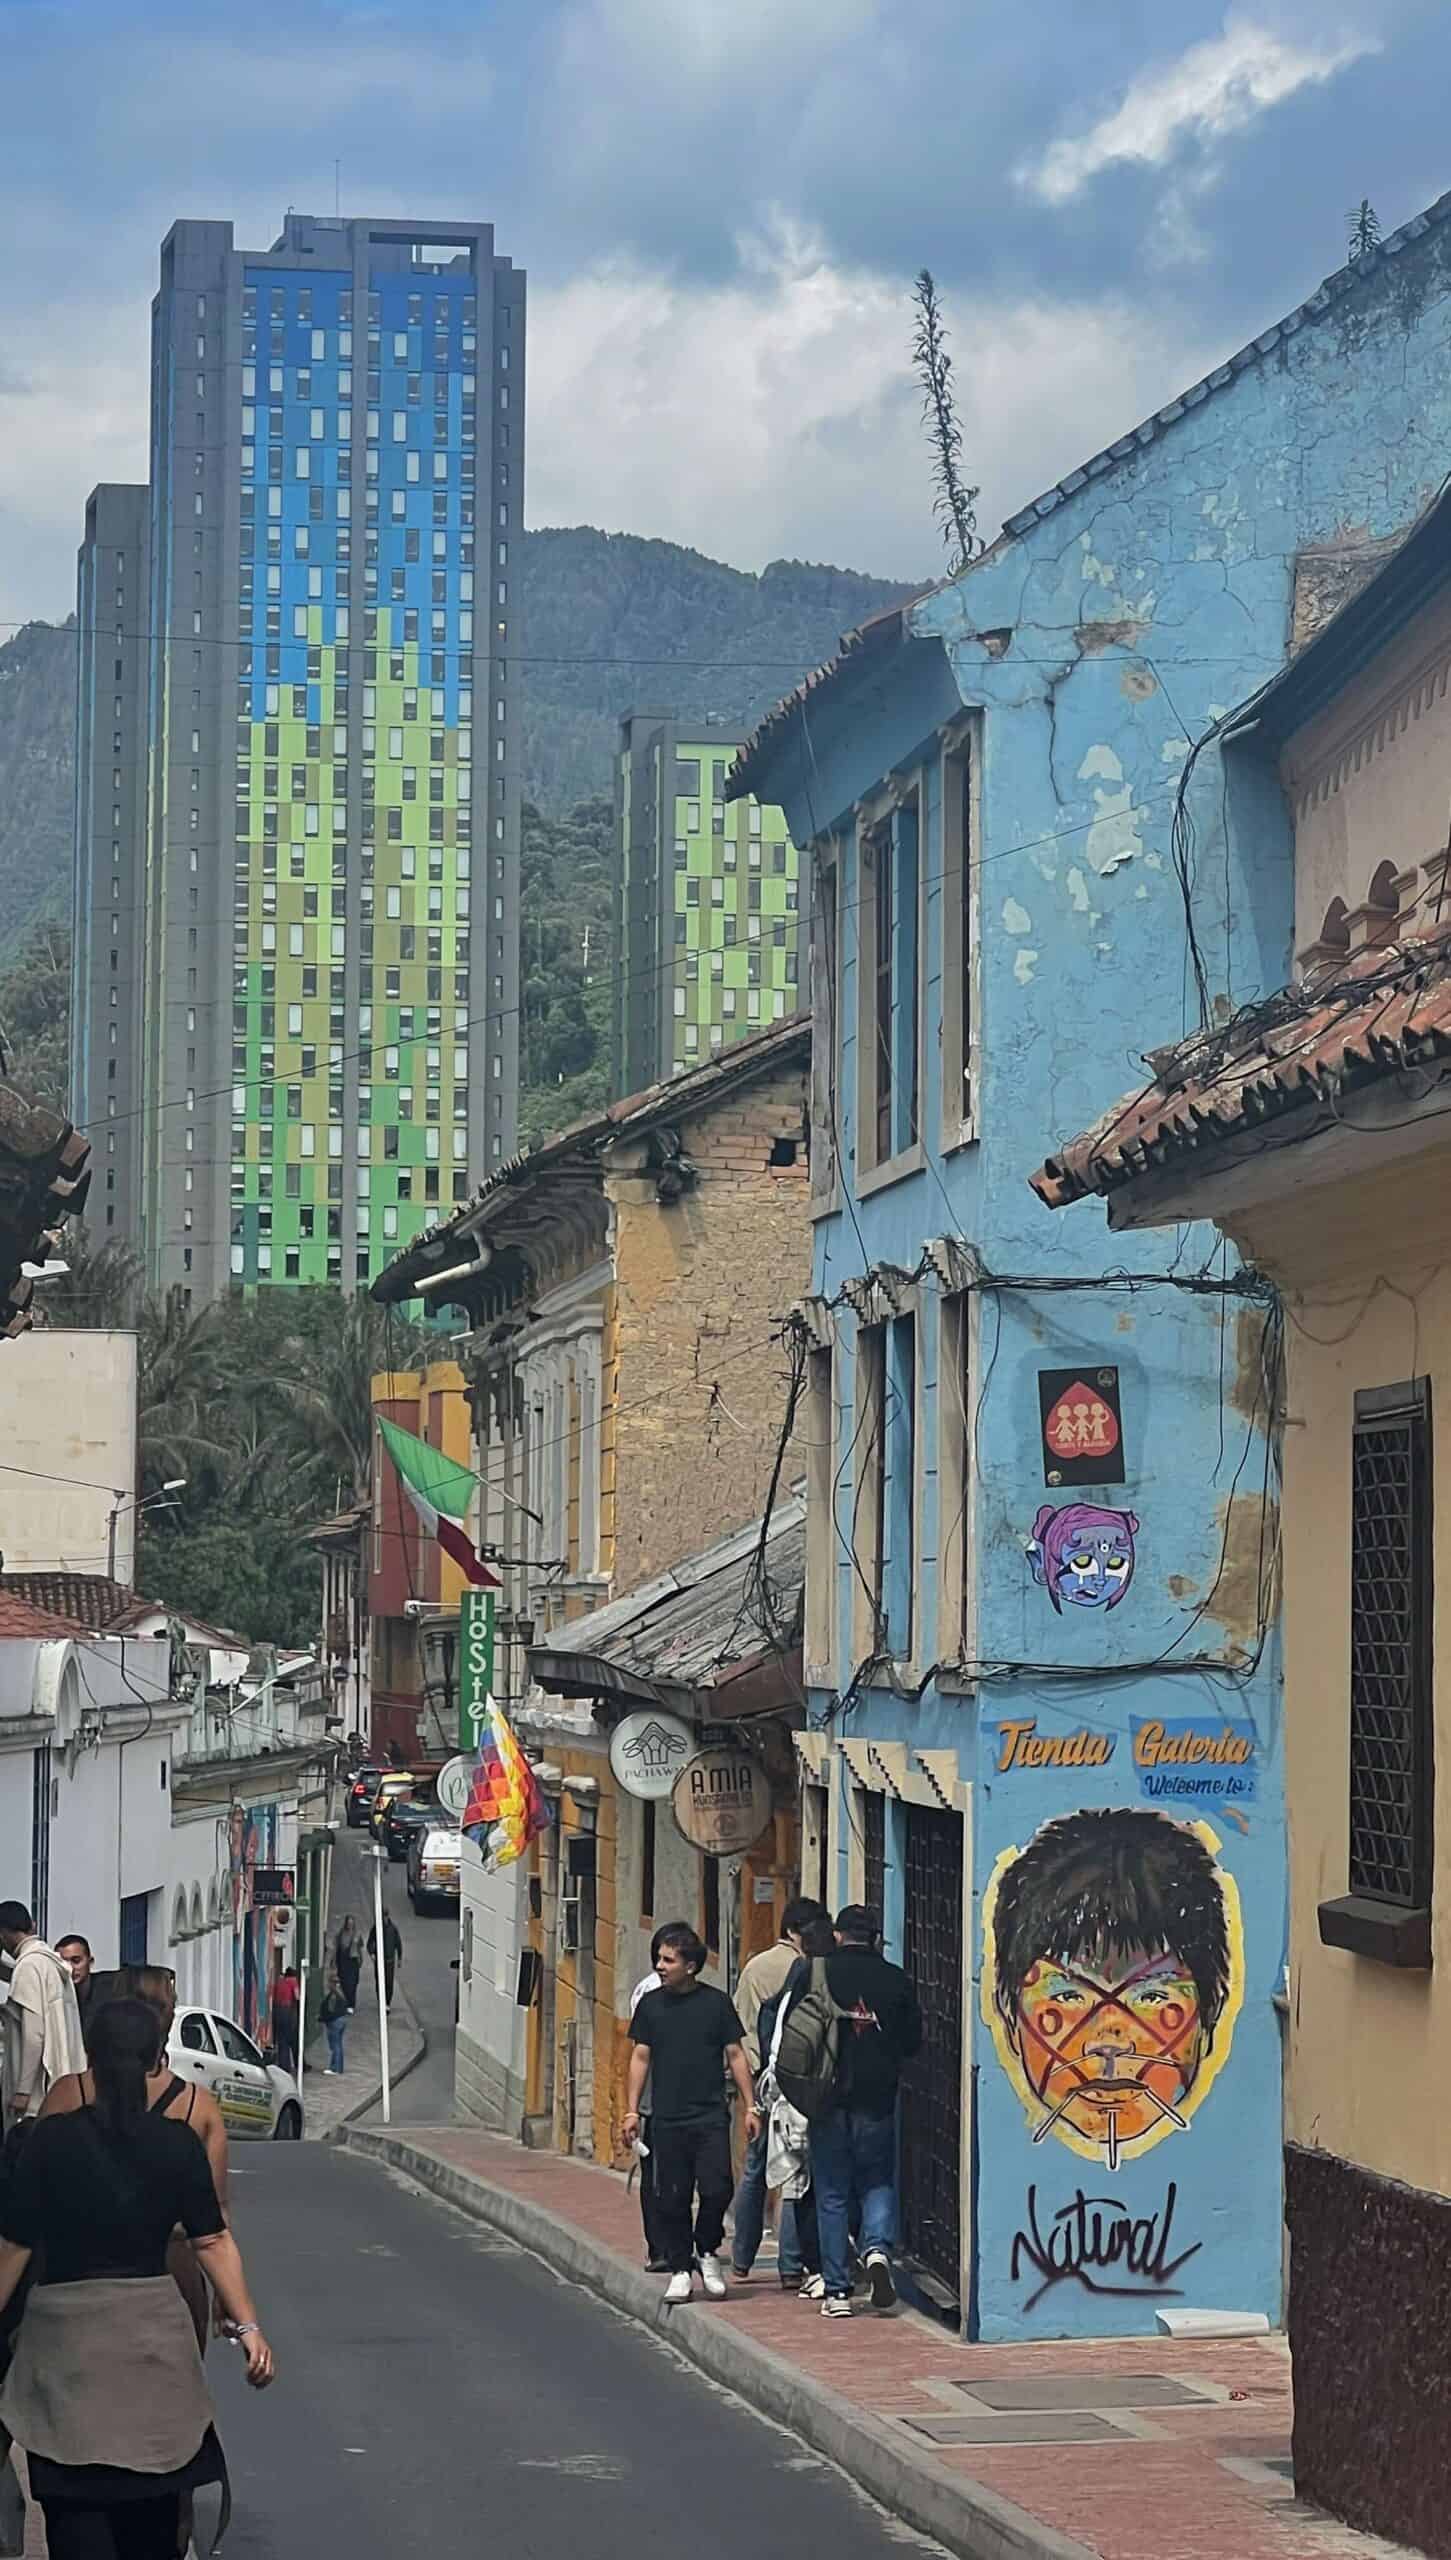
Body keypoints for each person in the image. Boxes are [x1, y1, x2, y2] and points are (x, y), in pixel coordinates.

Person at [0, 1997, 274, 2559]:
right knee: (153, 2523)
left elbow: (15, 2244)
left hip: (64, 2350)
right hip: (153, 2343)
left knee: (73, 2521)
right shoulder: (175, 2143)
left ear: (91, 2059)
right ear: (156, 2060)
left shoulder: (51, 2139)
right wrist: (247, 2327)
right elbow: (213, 2237)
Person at [41, 1964, 232, 2358]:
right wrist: (228, 2294)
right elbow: (215, 2218)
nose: (175, 2013)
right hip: (169, 2271)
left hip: (75, 2269)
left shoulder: (69, 2093)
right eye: (170, 2005)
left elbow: (33, 2198)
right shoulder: (197, 2106)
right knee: (171, 2401)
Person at [790, 1905, 922, 2320]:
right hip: (878, 2100)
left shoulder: (816, 1974)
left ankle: (838, 2291)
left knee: (831, 2193)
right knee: (877, 2182)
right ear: (876, 1939)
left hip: (827, 2100)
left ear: (837, 1935)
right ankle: (877, 2250)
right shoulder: (896, 1979)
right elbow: (913, 2042)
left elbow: (791, 2033)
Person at [624, 1924, 759, 2304]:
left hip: (710, 2114)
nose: (660, 1966)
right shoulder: (651, 2006)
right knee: (671, 2197)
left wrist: (751, 2105)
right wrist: (631, 2111)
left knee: (718, 2189)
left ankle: (707, 2249)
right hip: (666, 2117)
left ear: (692, 1966)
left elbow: (735, 2054)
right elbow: (640, 2057)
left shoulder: (716, 2004)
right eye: (659, 1958)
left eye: (668, 1960)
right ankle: (682, 2268)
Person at [730, 1897, 824, 2284]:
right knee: (793, 2174)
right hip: (794, 2083)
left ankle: (741, 2257)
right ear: (796, 1932)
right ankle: (790, 2265)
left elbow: (740, 2024)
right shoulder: (807, 1970)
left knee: (755, 2169)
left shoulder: (754, 1968)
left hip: (756, 2079)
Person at [0, 1904, 86, 2121]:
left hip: (35, 2097)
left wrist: (22, 2091)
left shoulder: (29, 1966)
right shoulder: (47, 1960)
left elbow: (34, 2035)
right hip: (61, 2087)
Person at [626, 1930, 670, 2273]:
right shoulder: (651, 1995)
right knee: (657, 2177)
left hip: (672, 2100)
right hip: (656, 2100)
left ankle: (668, 2245)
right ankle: (660, 2247)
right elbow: (642, 2053)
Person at [55, 1938, 99, 2047]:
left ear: (90, 1962)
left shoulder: (106, 1992)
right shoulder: (53, 1994)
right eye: (63, 1962)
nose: (70, 1968)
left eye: (76, 1961)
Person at [368, 1910, 403, 2008]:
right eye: (382, 1916)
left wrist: (399, 1958)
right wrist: (372, 1953)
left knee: (389, 1983)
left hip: (389, 1961)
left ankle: (387, 2003)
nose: (384, 1918)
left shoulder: (393, 1929)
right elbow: (370, 1942)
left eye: (385, 1916)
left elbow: (398, 1943)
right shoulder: (376, 1928)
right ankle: (381, 2002)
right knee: (379, 1982)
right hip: (379, 1961)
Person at [270, 1967, 300, 2076]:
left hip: (277, 2011)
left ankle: (283, 2065)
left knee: (281, 2040)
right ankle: (287, 2066)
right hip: (287, 2011)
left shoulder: (279, 1983)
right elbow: (297, 1997)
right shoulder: (293, 1981)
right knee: (288, 2039)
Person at [320, 1976, 349, 2076]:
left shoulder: (333, 1995)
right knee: (338, 2045)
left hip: (334, 2022)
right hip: (342, 2020)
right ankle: (339, 2068)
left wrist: (322, 2018)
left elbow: (331, 2011)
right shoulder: (340, 1993)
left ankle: (335, 2068)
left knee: (335, 2045)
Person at [334, 1917, 362, 2014]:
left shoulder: (357, 1935)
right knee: (344, 1983)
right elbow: (337, 1948)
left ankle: (351, 2004)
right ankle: (345, 2003)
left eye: (351, 1923)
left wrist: (360, 1959)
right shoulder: (341, 1934)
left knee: (353, 1984)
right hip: (343, 1961)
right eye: (348, 1923)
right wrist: (334, 1961)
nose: (350, 1925)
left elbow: (359, 1948)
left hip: (353, 1961)